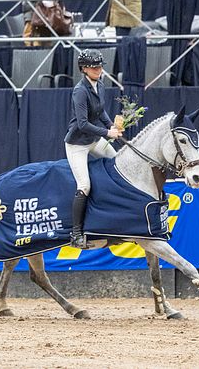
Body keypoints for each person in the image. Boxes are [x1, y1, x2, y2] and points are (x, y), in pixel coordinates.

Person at [64, 49, 122, 249]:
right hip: (78, 144)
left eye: (100, 66)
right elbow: (82, 124)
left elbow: (101, 111)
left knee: (118, 164)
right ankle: (76, 234)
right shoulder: (80, 91)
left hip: (95, 139)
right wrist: (107, 134)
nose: (99, 69)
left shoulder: (100, 85)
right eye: (94, 67)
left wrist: (110, 126)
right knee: (84, 186)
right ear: (84, 69)